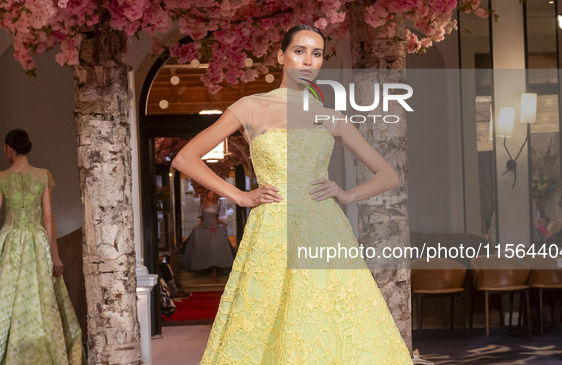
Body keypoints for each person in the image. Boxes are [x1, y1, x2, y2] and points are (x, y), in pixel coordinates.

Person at [172, 25, 412, 364]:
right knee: (269, 320)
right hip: (272, 229)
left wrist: (346, 195)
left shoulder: (330, 117)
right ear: (280, 56)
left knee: (327, 320)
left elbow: (388, 174)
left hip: (322, 226)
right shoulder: (251, 106)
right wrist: (239, 196)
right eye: (299, 51)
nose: (308, 61)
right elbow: (185, 158)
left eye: (316, 54)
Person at [0, 129, 86, 364]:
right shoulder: (43, 175)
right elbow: (48, 218)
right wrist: (55, 256)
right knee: (42, 295)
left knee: (6, 295)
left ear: (8, 148)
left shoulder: (0, 178)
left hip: (10, 241)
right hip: (37, 242)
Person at [180, 190, 235, 281]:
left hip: (215, 230)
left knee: (214, 250)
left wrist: (223, 223)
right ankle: (205, 270)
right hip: (205, 229)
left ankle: (214, 271)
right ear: (207, 195)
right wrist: (197, 226)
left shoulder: (217, 205)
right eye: (209, 194)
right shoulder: (203, 205)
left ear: (214, 196)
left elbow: (216, 219)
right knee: (205, 250)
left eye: (212, 194)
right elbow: (202, 219)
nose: (210, 195)